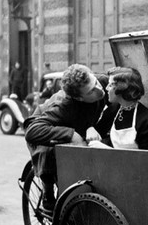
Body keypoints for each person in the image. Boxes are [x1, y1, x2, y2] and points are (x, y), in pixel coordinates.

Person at [24, 64, 106, 212]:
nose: (99, 90)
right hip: (45, 125)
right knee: (48, 154)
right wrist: (71, 134)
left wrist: (90, 126)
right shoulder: (64, 106)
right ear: (79, 98)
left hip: (74, 123)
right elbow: (32, 131)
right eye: (91, 91)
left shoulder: (102, 82)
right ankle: (48, 191)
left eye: (96, 83)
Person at [89, 66, 148, 150]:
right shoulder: (114, 109)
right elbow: (99, 132)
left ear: (123, 89)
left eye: (111, 85)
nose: (106, 88)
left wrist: (108, 151)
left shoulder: (146, 120)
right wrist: (90, 129)